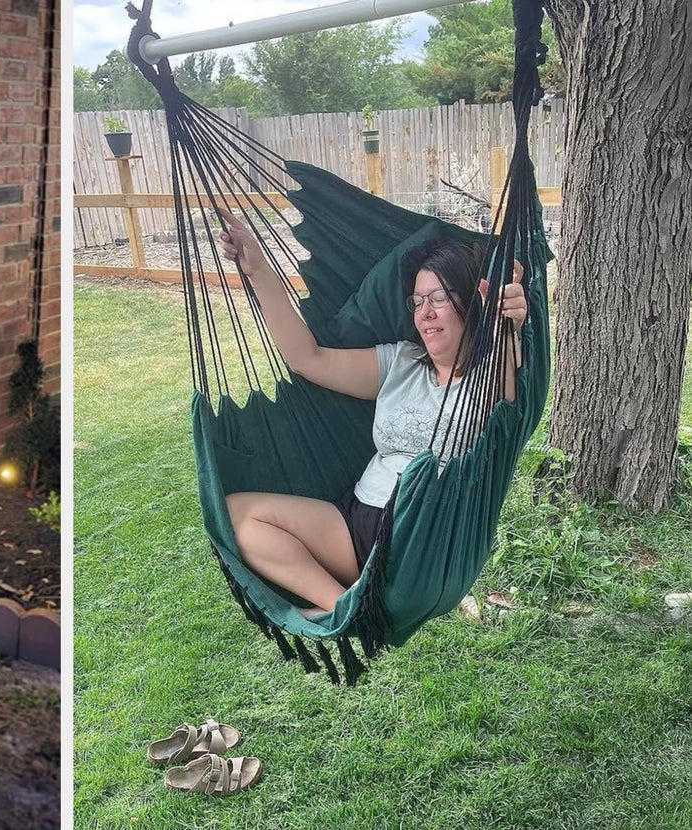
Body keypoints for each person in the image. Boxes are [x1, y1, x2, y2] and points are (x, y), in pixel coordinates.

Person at [217, 212, 528, 617]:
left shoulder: (489, 381)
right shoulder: (400, 361)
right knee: (234, 513)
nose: (425, 313)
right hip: (355, 520)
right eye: (417, 301)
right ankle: (345, 607)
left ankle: (350, 605)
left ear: (472, 301)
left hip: (416, 542)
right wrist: (257, 269)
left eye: (438, 298)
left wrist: (507, 322)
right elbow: (306, 358)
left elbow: (508, 395)